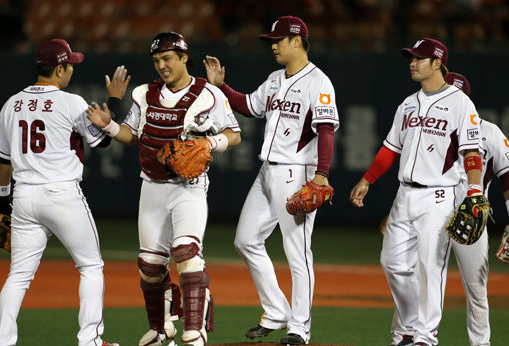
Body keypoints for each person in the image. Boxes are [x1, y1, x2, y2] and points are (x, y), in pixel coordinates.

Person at [86, 31, 241, 346]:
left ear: (184, 57)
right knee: (150, 265)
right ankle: (160, 328)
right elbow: (131, 134)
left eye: (167, 58)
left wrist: (208, 142)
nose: (161, 65)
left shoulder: (208, 93)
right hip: (152, 187)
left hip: (188, 187)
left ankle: (195, 330)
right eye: (156, 60)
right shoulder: (144, 93)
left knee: (186, 252)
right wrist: (109, 126)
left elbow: (234, 134)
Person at [204, 15, 339, 345]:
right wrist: (222, 86)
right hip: (267, 171)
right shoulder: (275, 78)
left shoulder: (318, 82)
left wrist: (321, 174)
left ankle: (300, 328)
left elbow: (325, 130)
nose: (273, 45)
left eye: (278, 40)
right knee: (245, 240)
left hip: (298, 172)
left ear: (297, 41)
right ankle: (277, 311)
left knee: (298, 252)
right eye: (272, 41)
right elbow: (249, 106)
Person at [350, 38, 485, 346]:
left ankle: (425, 336)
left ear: (437, 63)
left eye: (419, 58)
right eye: (411, 57)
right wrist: (368, 179)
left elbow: (472, 152)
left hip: (439, 196)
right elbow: (389, 148)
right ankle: (411, 325)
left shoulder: (460, 102)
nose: (412, 62)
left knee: (429, 267)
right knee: (392, 263)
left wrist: (475, 189)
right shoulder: (408, 103)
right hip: (404, 194)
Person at [0, 39, 122, 346]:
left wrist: (1, 203)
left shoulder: (11, 105)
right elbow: (102, 140)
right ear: (60, 68)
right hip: (61, 195)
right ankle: (90, 341)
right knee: (91, 266)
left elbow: (3, 161)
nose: (71, 71)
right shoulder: (71, 102)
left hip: (24, 198)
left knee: (18, 276)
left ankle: (2, 341)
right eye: (70, 65)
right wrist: (115, 102)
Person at [382, 72, 509, 346]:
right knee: (417, 275)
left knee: (476, 286)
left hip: (470, 217)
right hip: (432, 206)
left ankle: (480, 342)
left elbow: (507, 177)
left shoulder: (489, 133)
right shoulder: (429, 122)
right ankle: (404, 335)